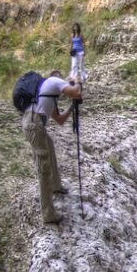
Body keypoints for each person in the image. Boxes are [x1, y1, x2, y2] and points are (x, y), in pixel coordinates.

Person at [21, 71, 82, 225]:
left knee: (50, 146)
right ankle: (48, 213)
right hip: (34, 124)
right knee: (44, 168)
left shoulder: (47, 96)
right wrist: (75, 80)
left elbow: (60, 119)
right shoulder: (53, 81)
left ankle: (56, 185)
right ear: (56, 77)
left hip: (34, 123)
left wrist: (71, 106)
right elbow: (75, 92)